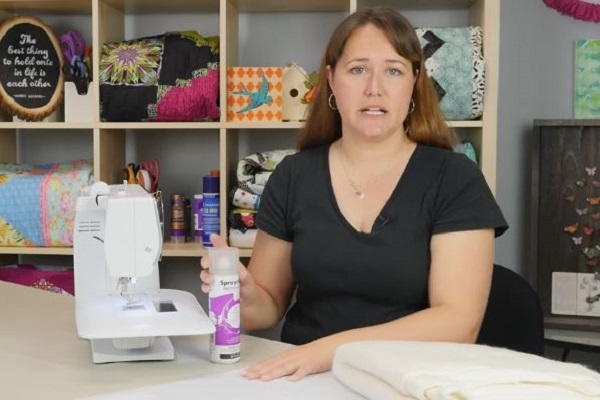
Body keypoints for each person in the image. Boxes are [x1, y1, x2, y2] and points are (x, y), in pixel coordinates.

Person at [200, 7, 507, 381]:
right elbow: (265, 311)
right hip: (306, 380)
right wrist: (243, 292)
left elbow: (458, 323)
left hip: (410, 381)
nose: (374, 88)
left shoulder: (455, 178)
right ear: (331, 79)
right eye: (358, 69)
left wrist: (329, 351)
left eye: (393, 70)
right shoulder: (293, 175)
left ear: (414, 81)